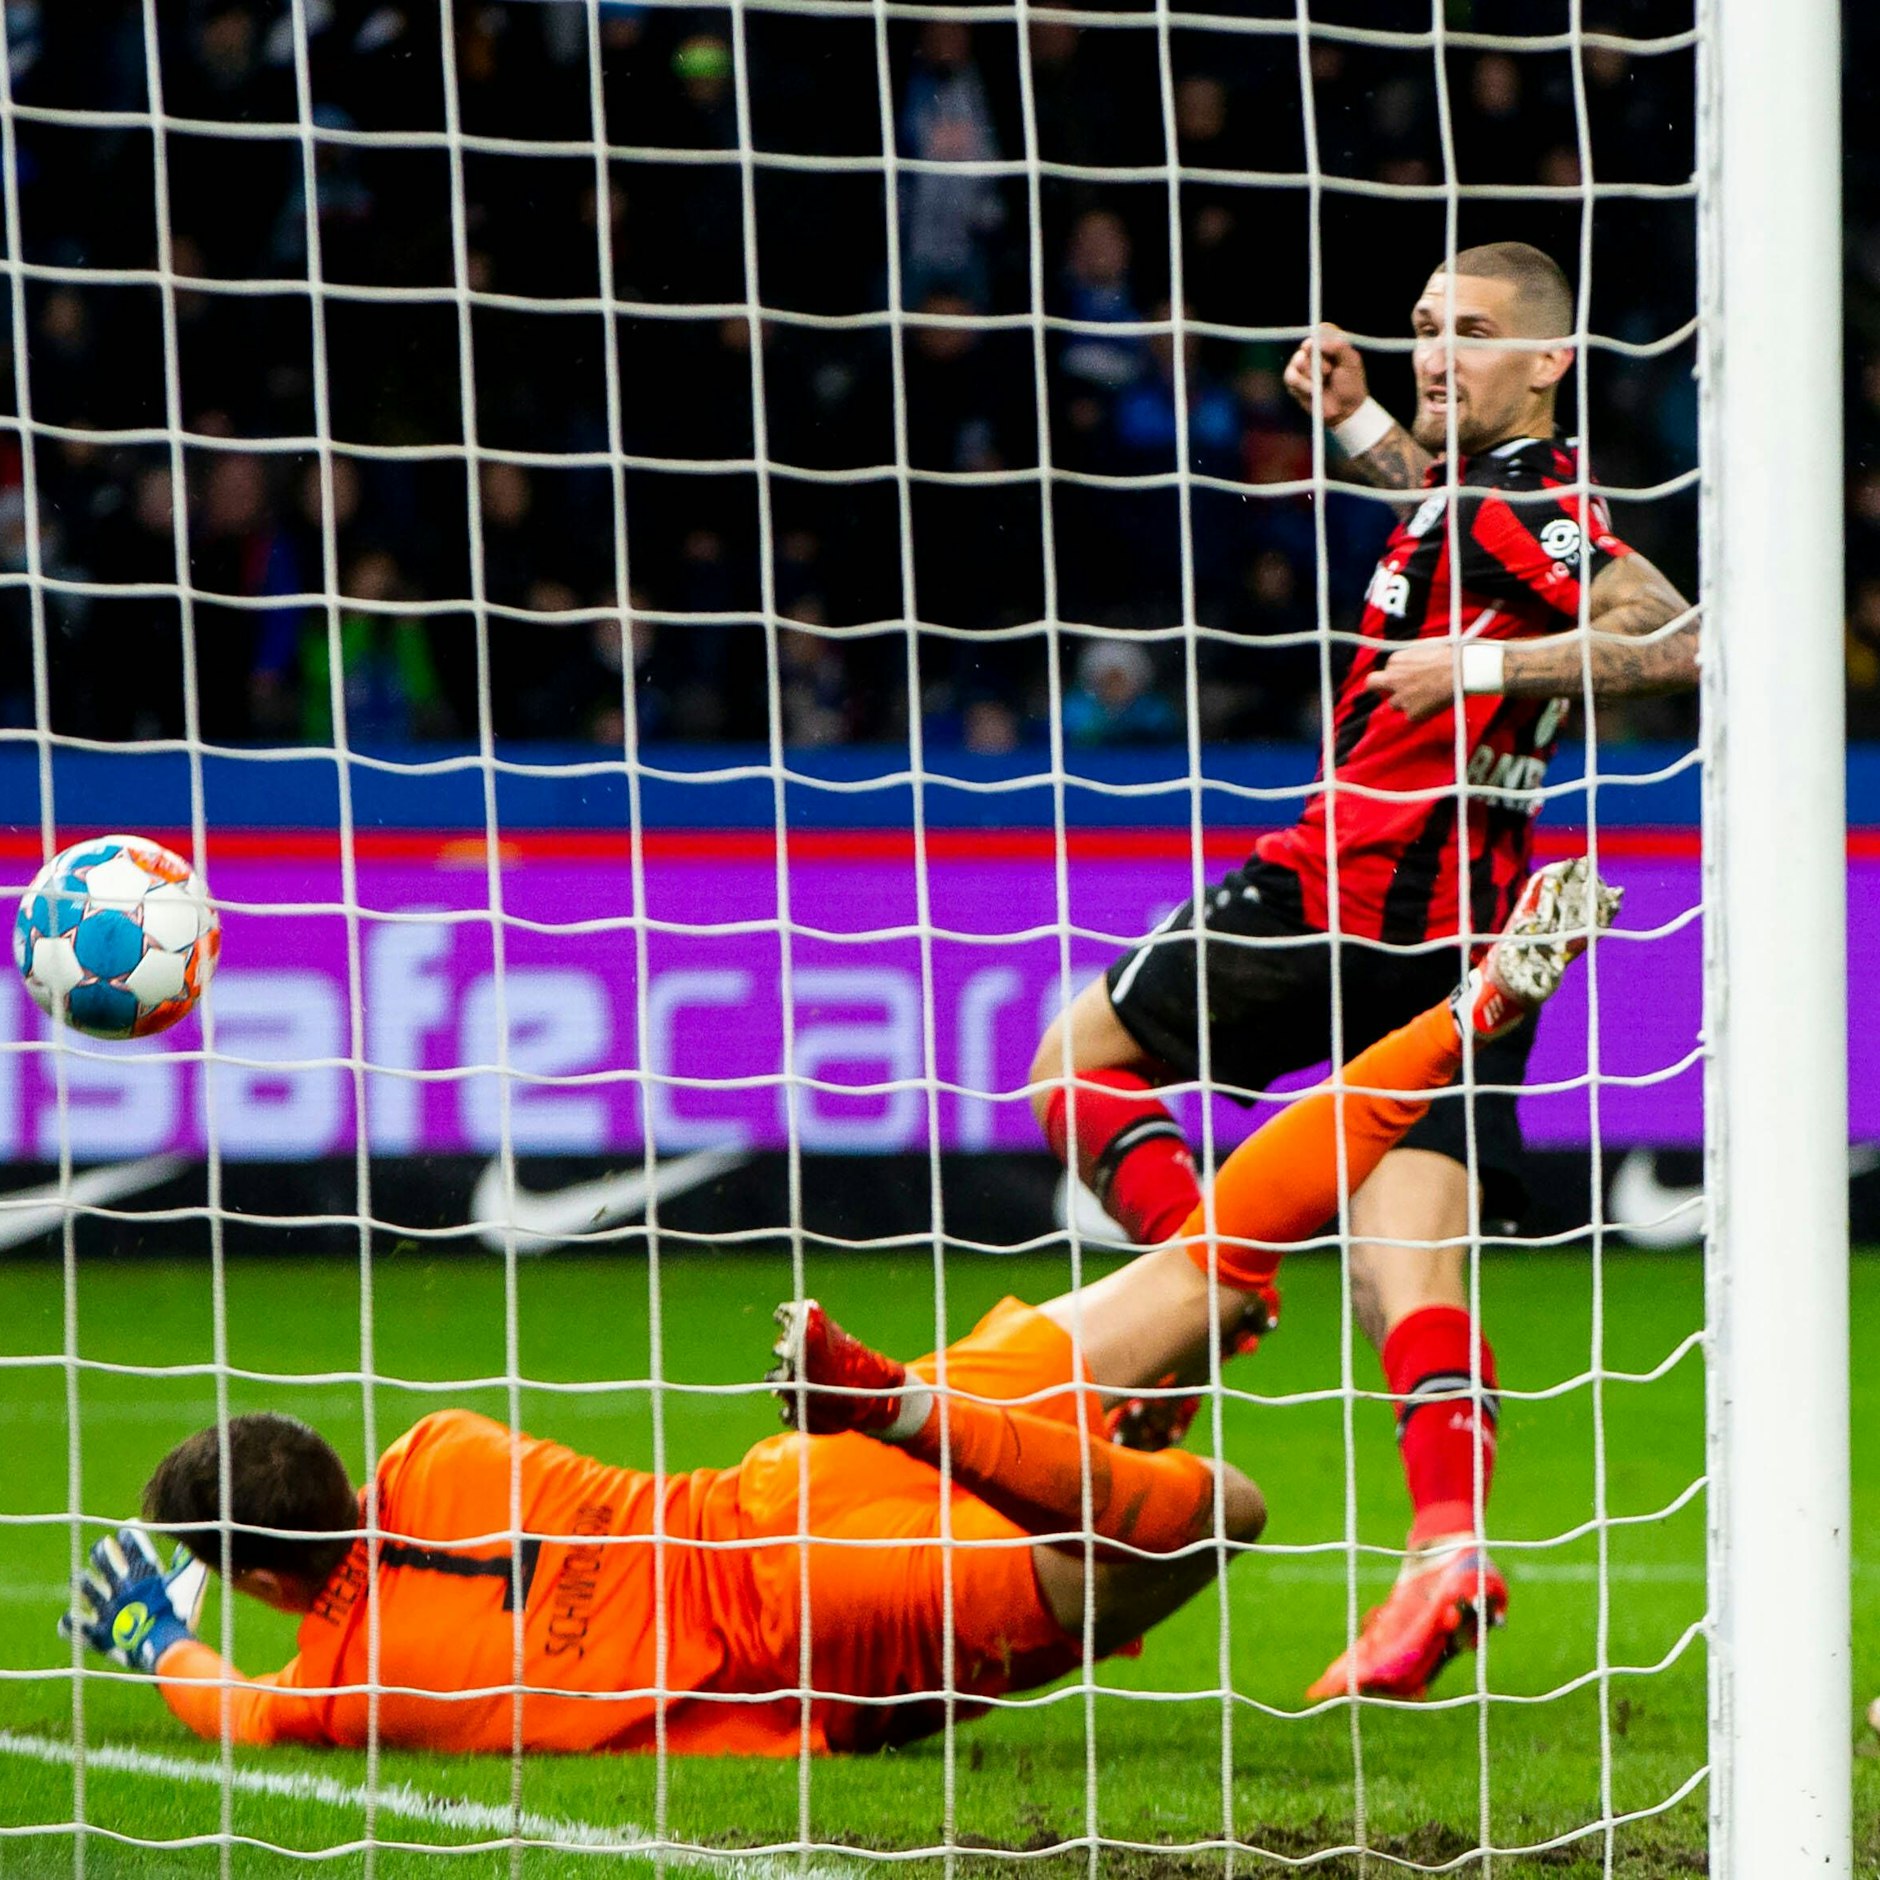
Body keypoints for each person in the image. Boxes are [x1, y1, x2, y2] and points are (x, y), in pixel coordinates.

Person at [61, 862, 1614, 1747]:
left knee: (1224, 1514)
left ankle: (926, 1413)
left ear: (260, 1587)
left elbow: (238, 1708)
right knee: (1206, 1263)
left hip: (829, 1631)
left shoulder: (350, 1689)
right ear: (340, 1467)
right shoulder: (442, 1451)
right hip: (790, 1486)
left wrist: (157, 1646)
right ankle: (1458, 1020)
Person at [1027, 240, 1696, 1702]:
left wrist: (1470, 677)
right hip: (1474, 935)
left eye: (1469, 335)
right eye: (1419, 331)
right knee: (1412, 1284)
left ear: (1547, 364)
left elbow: (1673, 635)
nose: (1434, 354)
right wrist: (1357, 427)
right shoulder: (1481, 497)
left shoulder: (1532, 499)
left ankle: (1209, 1297)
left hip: (1340, 897)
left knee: (1074, 1063)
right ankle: (1445, 1553)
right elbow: (1480, 533)